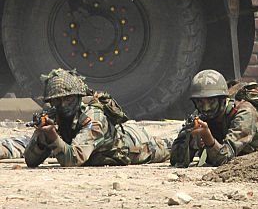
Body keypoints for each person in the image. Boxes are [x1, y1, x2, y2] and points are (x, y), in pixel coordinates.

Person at [24, 69, 170, 167]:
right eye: (56, 101)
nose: (62, 105)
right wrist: (41, 139)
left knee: (172, 146)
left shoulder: (93, 118)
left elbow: (73, 160)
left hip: (138, 144)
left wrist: (53, 136)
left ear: (78, 97)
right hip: (105, 148)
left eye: (68, 99)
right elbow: (30, 161)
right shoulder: (53, 116)